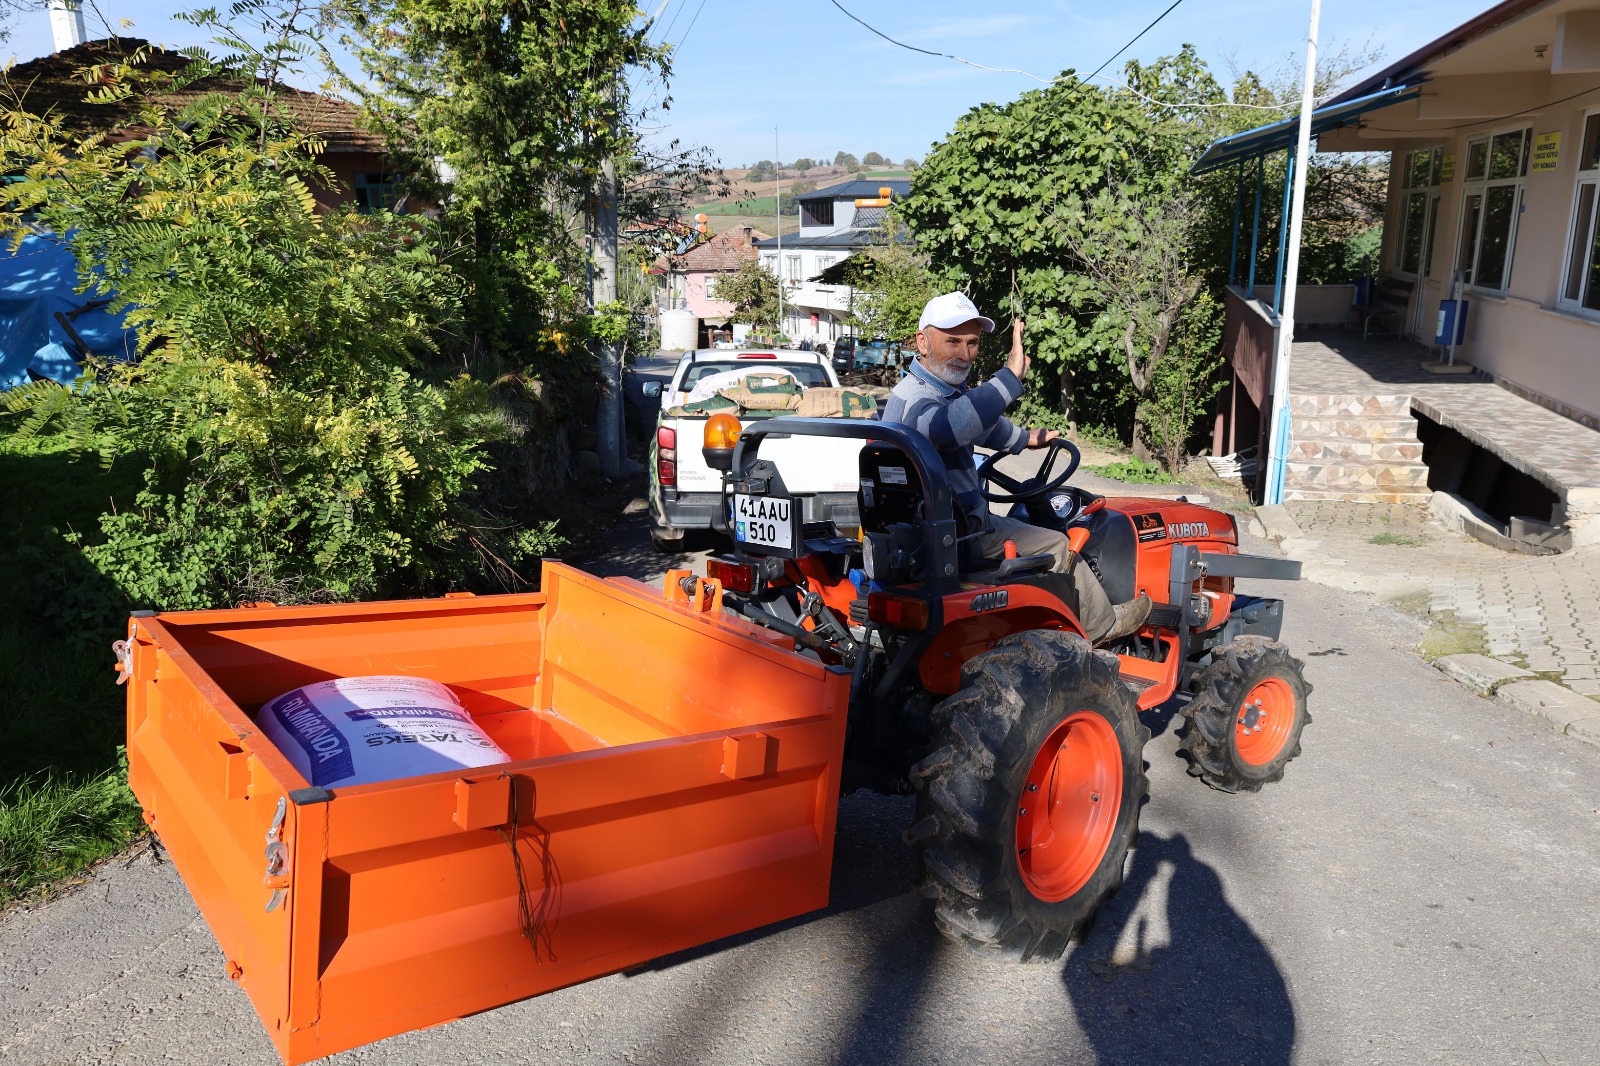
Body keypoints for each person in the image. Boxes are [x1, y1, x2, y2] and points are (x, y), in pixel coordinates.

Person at [881, 291, 1152, 645]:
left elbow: (977, 424)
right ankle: (1103, 626)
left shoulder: (929, 392)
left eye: (972, 343)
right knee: (1058, 544)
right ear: (922, 342)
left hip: (934, 532)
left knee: (1021, 523)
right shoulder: (919, 401)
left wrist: (1025, 439)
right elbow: (948, 429)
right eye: (952, 341)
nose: (964, 354)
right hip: (959, 537)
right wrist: (1009, 379)